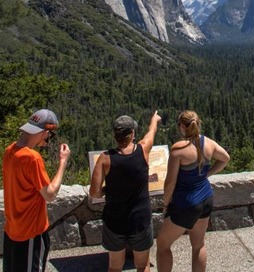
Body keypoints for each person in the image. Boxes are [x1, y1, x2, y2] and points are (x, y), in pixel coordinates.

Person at [156, 110, 230, 272]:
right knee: (198, 245)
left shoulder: (178, 149)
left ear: (182, 127)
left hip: (186, 204)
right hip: (206, 198)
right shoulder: (208, 143)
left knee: (162, 245)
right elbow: (225, 158)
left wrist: (166, 203)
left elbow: (170, 182)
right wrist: (206, 174)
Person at [89, 111, 161, 272]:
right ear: (132, 133)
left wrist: (107, 191)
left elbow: (94, 193)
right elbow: (152, 132)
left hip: (115, 221)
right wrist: (154, 119)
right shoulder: (143, 150)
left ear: (115, 135)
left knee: (114, 267)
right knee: (142, 265)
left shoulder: (105, 158)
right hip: (140, 219)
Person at [3, 109, 71, 272]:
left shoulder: (10, 151)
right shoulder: (32, 158)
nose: (48, 139)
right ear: (44, 132)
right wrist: (63, 162)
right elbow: (50, 194)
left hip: (12, 228)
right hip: (30, 231)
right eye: (50, 135)